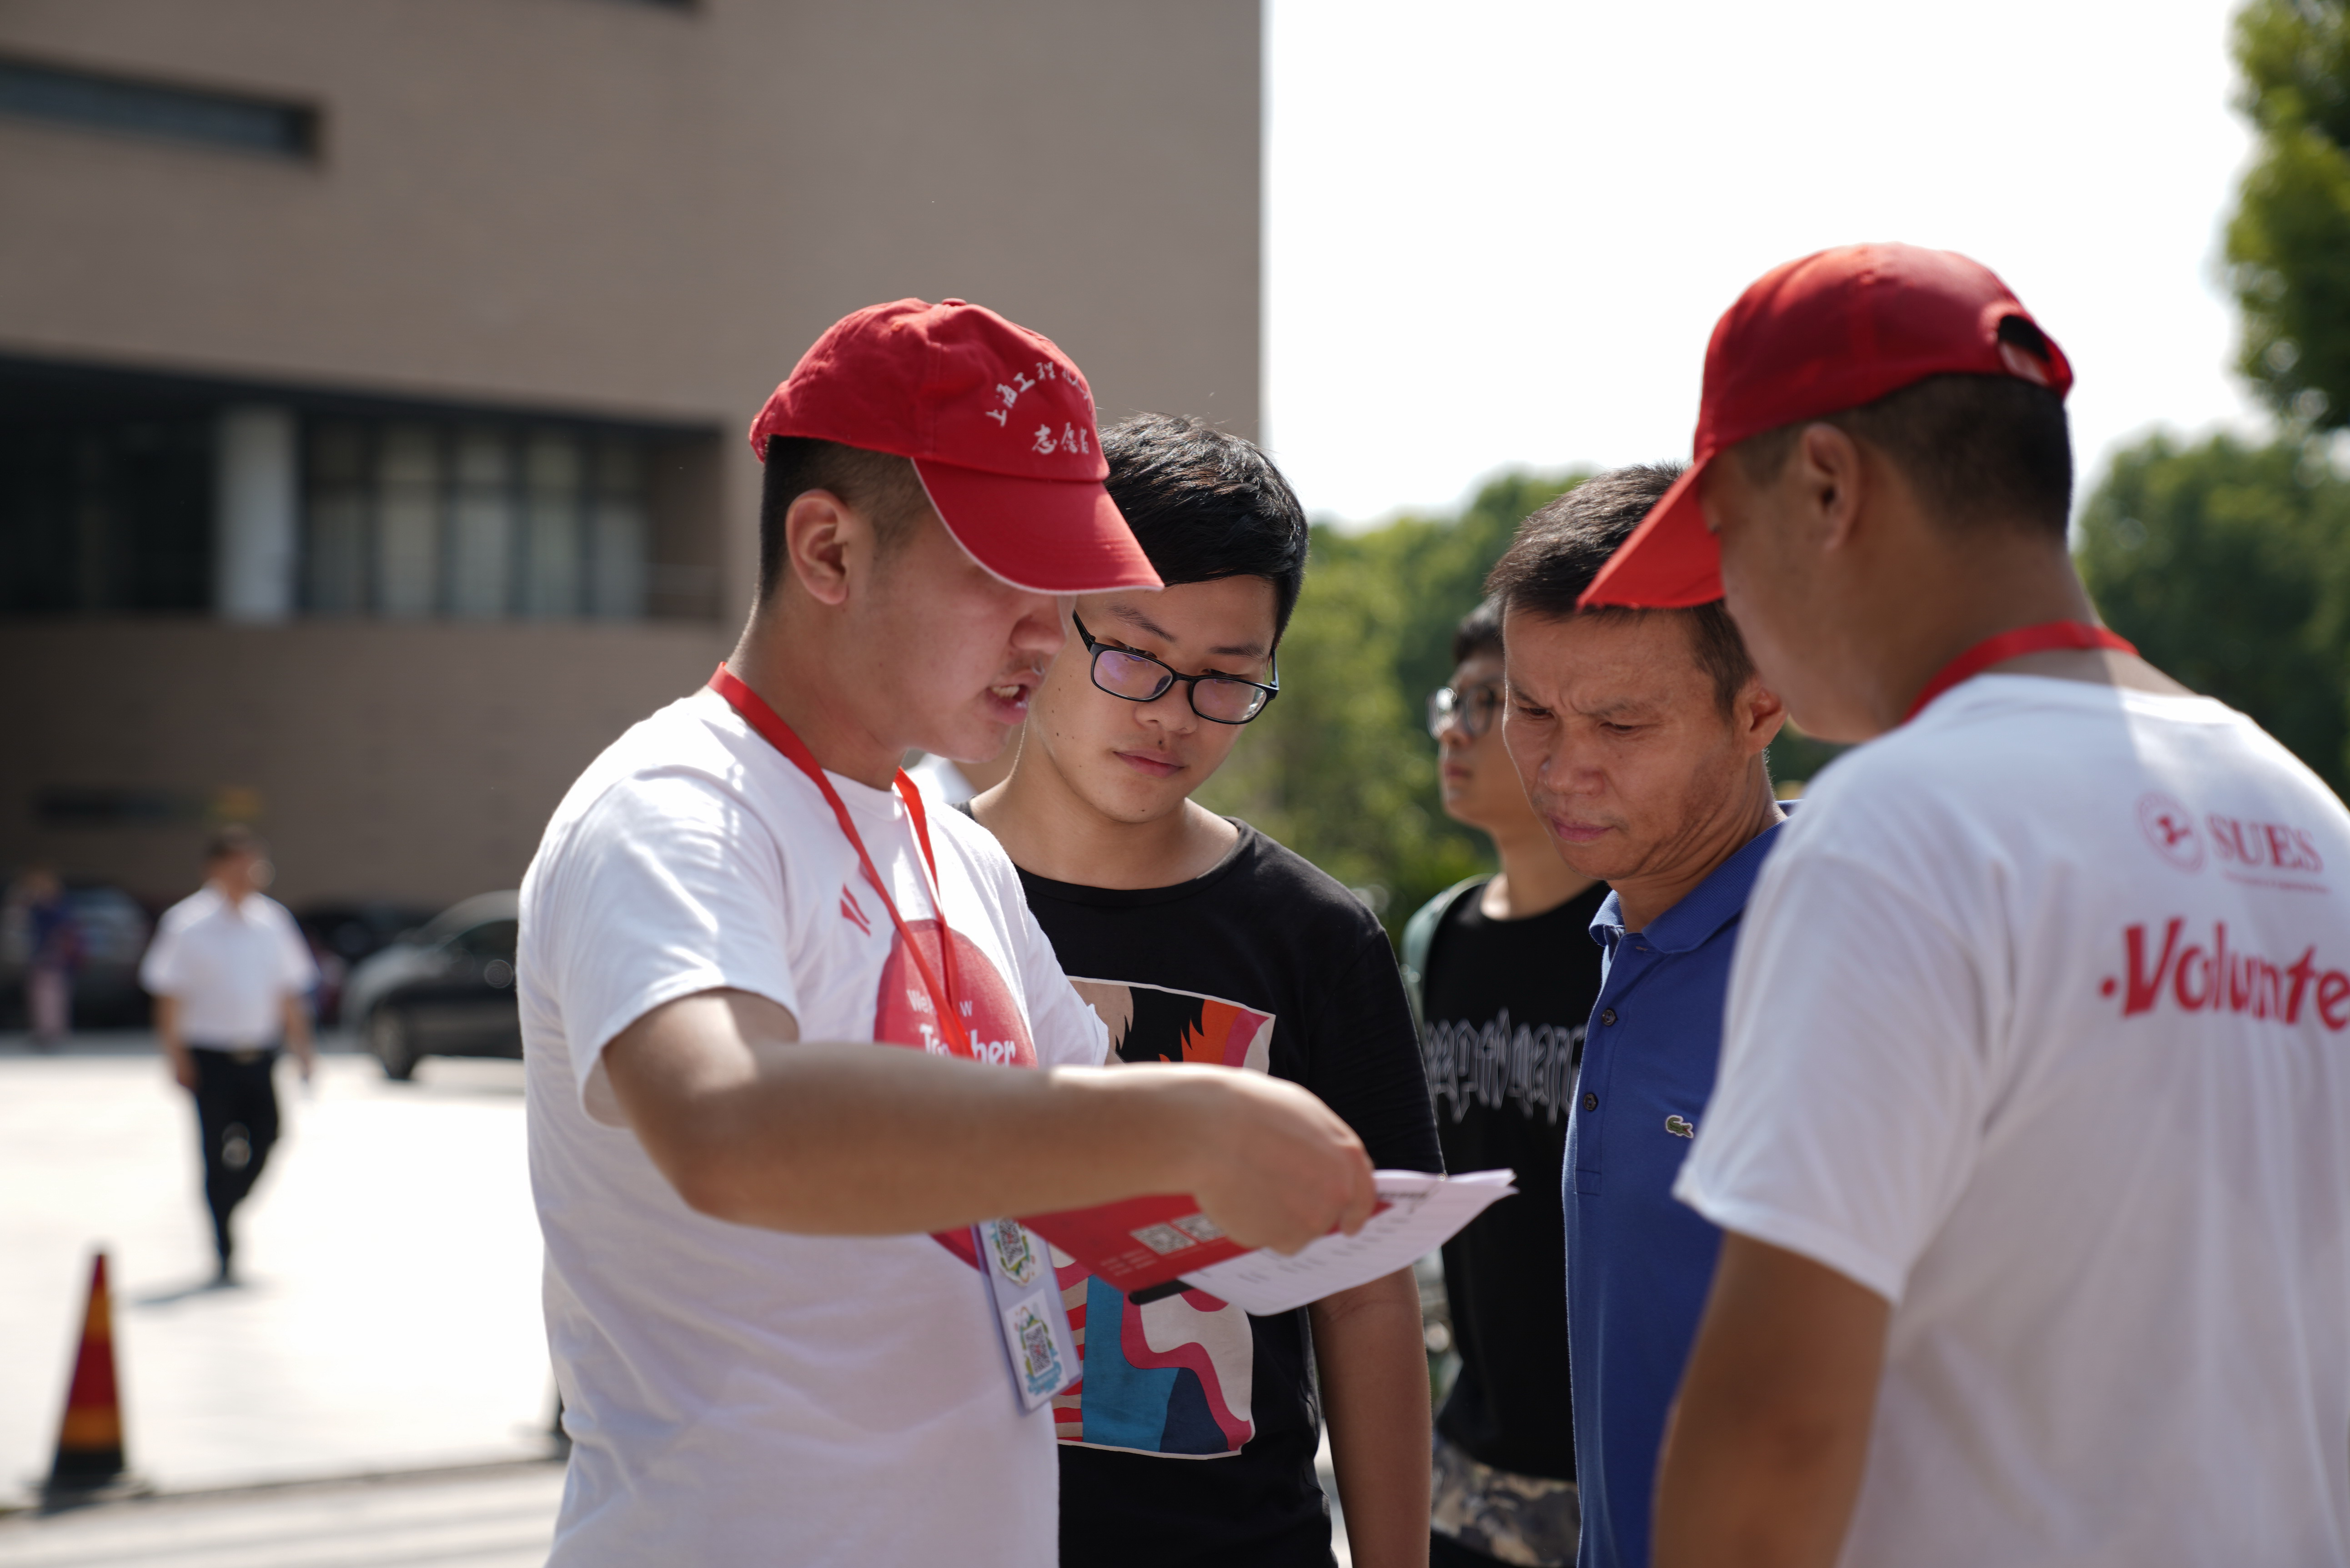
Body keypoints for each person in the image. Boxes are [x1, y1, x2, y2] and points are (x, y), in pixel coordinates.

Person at [519, 300, 1379, 1568]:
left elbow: (1088, 1160)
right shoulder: (678, 809)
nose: (1046, 632)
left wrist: (1325, 1200)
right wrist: (1185, 1119)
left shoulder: (947, 842)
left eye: (1064, 586)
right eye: (1003, 579)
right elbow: (724, 1124)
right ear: (828, 550)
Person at [1582, 244, 2350, 1568]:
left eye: (1724, 540)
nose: (1734, 601)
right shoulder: (2306, 822)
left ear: (1826, 486)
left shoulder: (1899, 828)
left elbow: (1774, 1437)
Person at [967, 411, 1439, 1568]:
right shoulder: (907, 888)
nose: (1172, 712)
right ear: (1044, 615)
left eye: (1227, 678)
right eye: (1134, 654)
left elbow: (1369, 1297)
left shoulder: (1315, 938)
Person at [1484, 464, 1789, 1568]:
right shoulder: (1623, 937)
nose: (1564, 766)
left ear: (1759, 705)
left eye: (1620, 721)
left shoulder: (1838, 960)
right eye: (1530, 709)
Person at [1400, 597, 1603, 1568]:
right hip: (1471, 1466)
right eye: (1454, 700)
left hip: (1615, 1470)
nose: (1454, 728)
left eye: (1489, 702)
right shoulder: (1438, 937)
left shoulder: (1635, 937)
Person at [138, 826, 319, 1284]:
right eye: (238, 864)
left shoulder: (273, 921)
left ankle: (227, 1204)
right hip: (210, 1056)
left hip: (259, 1054)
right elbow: (169, 996)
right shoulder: (187, 924)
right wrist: (175, 1057)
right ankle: (223, 1241)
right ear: (214, 868)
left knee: (269, 1135)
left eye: (254, 864)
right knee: (214, 1152)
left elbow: (288, 992)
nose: (248, 873)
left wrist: (304, 1051)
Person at [13, 867, 79, 1050]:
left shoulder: (53, 907)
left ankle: (51, 1033)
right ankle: (47, 1031)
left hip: (51, 956)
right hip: (43, 955)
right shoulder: (41, 906)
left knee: (50, 996)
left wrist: (53, 952)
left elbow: (61, 932)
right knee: (43, 995)